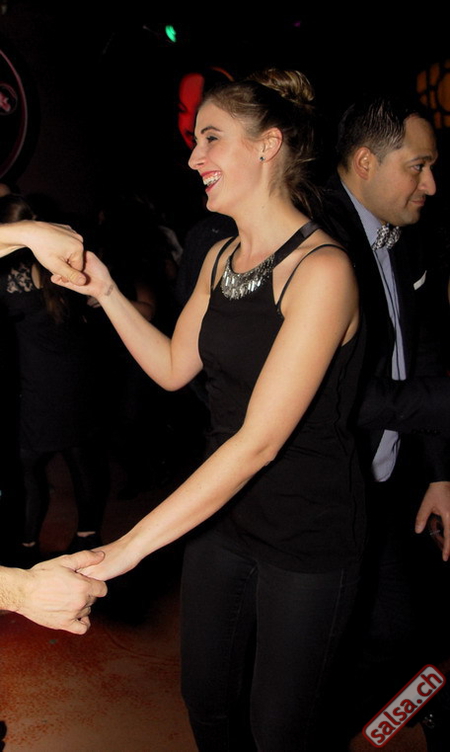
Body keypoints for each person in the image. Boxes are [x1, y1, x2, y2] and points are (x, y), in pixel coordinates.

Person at [54, 69, 365, 751]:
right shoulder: (222, 256)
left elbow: (258, 443)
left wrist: (127, 549)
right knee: (207, 701)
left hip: (306, 533)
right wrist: (106, 292)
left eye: (211, 138)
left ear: (268, 145)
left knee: (280, 731)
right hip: (224, 521)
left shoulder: (323, 271)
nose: (194, 157)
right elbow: (173, 369)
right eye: (195, 140)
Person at [321, 95, 450, 737]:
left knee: (404, 633)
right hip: (325, 489)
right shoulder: (318, 241)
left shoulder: (400, 231)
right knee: (323, 651)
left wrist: (441, 471)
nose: (431, 184)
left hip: (390, 478)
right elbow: (333, 394)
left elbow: (420, 346)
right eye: (418, 166)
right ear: (367, 161)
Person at [0, 218, 107, 634]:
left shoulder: (14, 278)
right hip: (71, 377)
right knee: (78, 458)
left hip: (43, 382)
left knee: (33, 464)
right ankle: (84, 533)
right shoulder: (60, 271)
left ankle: (29, 542)